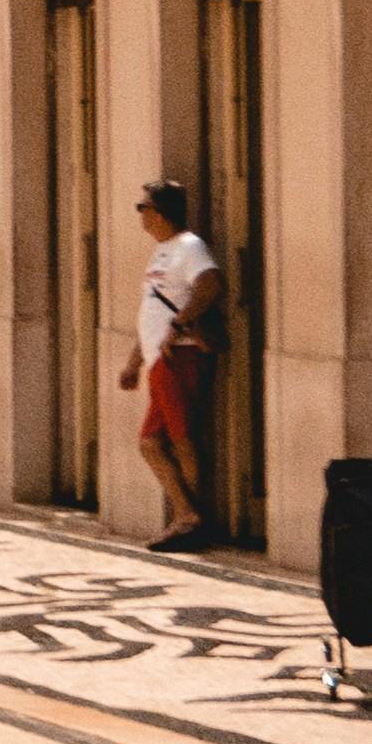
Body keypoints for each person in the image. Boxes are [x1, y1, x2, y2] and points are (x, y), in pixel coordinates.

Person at [121, 180, 228, 552]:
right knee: (151, 443)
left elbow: (211, 284)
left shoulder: (189, 246)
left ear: (160, 210)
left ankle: (191, 521)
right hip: (158, 361)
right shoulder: (163, 251)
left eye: (143, 207)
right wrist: (135, 360)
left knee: (181, 439)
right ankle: (187, 514)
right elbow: (154, 306)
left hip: (179, 356)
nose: (140, 214)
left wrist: (180, 325)